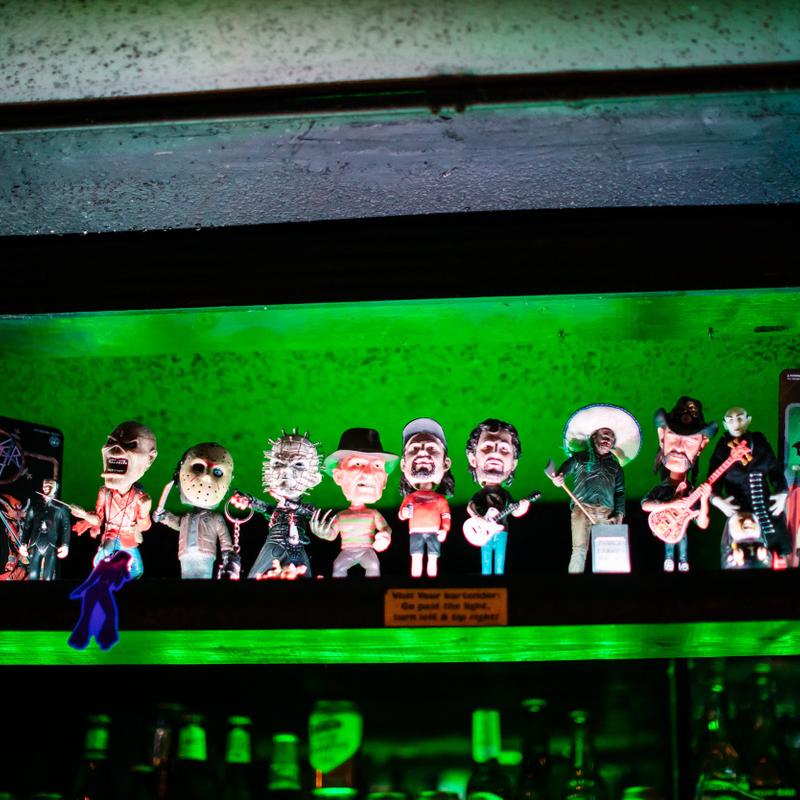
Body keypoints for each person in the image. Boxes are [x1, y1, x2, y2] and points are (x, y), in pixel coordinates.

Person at [548, 404, 641, 573]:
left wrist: (620, 513)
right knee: (579, 550)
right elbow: (562, 472)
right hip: (581, 508)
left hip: (607, 512)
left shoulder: (616, 467)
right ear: (593, 437)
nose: (608, 439)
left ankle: (607, 585)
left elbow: (620, 492)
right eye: (604, 435)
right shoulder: (579, 458)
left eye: (611, 438)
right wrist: (558, 478)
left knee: (608, 552)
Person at [70, 421, 158, 580]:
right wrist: (84, 515)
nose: (116, 450)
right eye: (111, 441)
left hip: (128, 537)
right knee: (102, 556)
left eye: (131, 445)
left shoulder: (139, 497)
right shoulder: (105, 493)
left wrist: (144, 512)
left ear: (150, 458)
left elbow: (144, 527)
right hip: (110, 535)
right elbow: (98, 519)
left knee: (137, 570)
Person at [231, 431, 325, 578]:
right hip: (273, 548)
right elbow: (266, 509)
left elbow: (313, 514)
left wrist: (287, 503)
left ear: (314, 479)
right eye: (277, 463)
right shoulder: (277, 509)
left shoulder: (307, 508)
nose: (285, 470)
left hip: (296, 550)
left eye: (299, 464)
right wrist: (249, 501)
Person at [707, 406, 790, 568]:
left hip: (764, 505)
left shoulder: (759, 442)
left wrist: (782, 492)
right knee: (740, 549)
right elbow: (712, 480)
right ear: (725, 425)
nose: (735, 423)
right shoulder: (723, 448)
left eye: (740, 418)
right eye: (730, 420)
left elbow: (774, 470)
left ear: (748, 420)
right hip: (738, 509)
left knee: (778, 546)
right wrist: (717, 500)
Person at [641, 396, 717, 572]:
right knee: (669, 543)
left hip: (682, 529)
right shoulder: (662, 489)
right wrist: (671, 504)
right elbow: (645, 505)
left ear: (702, 445)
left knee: (682, 542)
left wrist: (704, 499)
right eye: (673, 437)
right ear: (662, 437)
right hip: (666, 528)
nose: (680, 447)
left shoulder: (691, 492)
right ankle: (668, 560)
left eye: (690, 441)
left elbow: (703, 523)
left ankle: (683, 562)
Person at [315, 427, 398, 578]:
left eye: (377, 465)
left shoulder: (373, 514)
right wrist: (324, 533)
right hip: (347, 550)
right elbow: (332, 534)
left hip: (366, 549)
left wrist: (385, 536)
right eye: (358, 464)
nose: (369, 473)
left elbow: (385, 528)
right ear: (338, 476)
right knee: (338, 567)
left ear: (385, 480)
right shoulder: (341, 516)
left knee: (373, 566)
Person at [153, 442, 236, 579]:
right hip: (185, 554)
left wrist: (228, 554)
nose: (206, 477)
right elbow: (178, 523)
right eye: (198, 467)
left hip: (205, 554)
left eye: (217, 472)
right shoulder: (187, 517)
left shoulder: (215, 519)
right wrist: (164, 517)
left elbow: (224, 538)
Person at [464, 419, 531, 576]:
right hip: (485, 531)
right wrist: (477, 518)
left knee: (500, 559)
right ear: (472, 459)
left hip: (502, 530)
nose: (495, 453)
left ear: (513, 464)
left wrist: (523, 507)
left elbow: (515, 511)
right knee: (486, 558)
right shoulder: (480, 495)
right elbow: (470, 507)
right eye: (487, 447)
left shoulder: (505, 495)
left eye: (504, 449)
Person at [398, 417, 454, 578]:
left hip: (433, 532)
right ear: (403, 465)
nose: (422, 452)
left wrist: (445, 529)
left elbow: (446, 516)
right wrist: (404, 513)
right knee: (416, 556)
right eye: (414, 448)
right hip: (415, 531)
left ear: (446, 463)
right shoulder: (410, 498)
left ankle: (432, 581)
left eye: (431, 448)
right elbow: (401, 514)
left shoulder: (440, 500)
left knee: (433, 557)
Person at [18, 479, 70, 580]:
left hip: (51, 544)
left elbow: (66, 527)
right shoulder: (35, 507)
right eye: (45, 487)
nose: (46, 489)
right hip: (36, 543)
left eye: (49, 487)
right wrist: (23, 542)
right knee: (33, 575)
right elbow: (27, 525)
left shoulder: (61, 508)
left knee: (48, 576)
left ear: (54, 489)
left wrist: (65, 545)